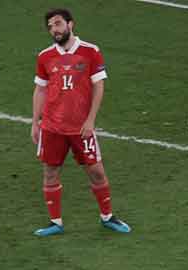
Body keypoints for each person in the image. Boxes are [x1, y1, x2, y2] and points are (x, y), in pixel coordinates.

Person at [31, 8, 131, 237]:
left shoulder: (90, 51)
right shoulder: (44, 56)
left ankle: (107, 217)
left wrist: (91, 120)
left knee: (96, 171)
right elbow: (40, 89)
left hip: (80, 127)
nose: (54, 30)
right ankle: (55, 222)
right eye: (50, 26)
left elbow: (99, 86)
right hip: (52, 127)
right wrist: (35, 122)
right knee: (50, 172)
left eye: (57, 24)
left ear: (70, 24)